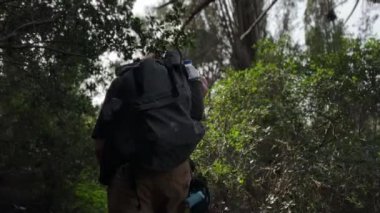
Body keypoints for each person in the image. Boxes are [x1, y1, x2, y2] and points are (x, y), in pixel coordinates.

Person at [92, 51, 208, 213]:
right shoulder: (176, 78)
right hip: (177, 172)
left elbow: (100, 144)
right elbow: (196, 114)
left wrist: (110, 175)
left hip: (131, 176)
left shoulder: (121, 84)